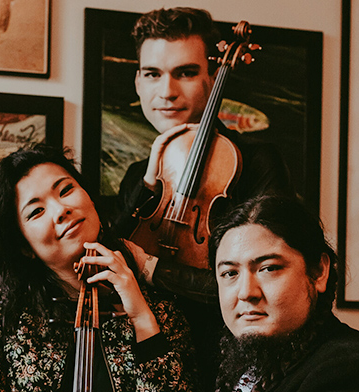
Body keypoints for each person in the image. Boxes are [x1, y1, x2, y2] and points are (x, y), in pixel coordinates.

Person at [112, 8, 295, 390]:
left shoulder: (257, 162)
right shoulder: (139, 176)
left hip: (227, 364)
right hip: (149, 362)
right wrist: (146, 183)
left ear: (213, 79)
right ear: (137, 82)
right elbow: (113, 253)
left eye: (186, 72)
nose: (166, 92)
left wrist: (153, 269)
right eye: (153, 74)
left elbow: (266, 287)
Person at [0, 145, 199, 392]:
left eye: (66, 190)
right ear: (24, 246)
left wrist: (141, 316)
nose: (61, 210)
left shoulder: (156, 304)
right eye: (36, 211)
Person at [210, 195, 359, 392]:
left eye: (269, 268)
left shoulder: (355, 374)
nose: (246, 292)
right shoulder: (255, 363)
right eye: (230, 273)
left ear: (319, 273)